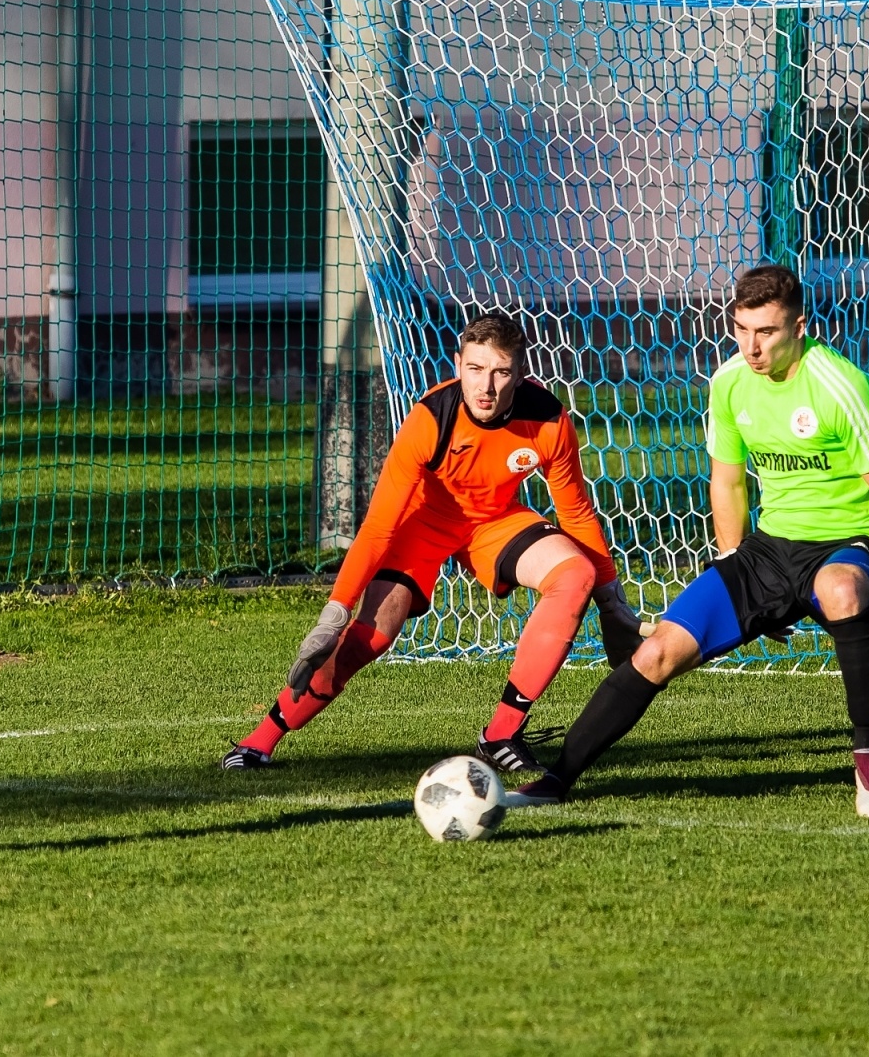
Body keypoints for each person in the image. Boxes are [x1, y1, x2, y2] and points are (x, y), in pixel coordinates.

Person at [515, 264, 869, 818]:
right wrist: (734, 568)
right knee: (655, 652)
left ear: (800, 327)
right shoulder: (729, 382)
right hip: (768, 552)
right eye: (741, 329)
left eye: (767, 332)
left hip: (846, 542)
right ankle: (557, 780)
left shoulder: (838, 385)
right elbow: (727, 479)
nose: (752, 346)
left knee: (842, 590)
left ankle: (868, 757)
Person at [223, 312, 643, 773]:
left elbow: (576, 512)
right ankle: (257, 742)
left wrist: (612, 603)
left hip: (495, 522)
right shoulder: (430, 418)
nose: (486, 386)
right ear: (458, 364)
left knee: (575, 575)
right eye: (476, 369)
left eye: (501, 372)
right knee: (372, 635)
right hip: (424, 524)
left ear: (520, 375)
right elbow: (380, 525)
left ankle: (501, 733)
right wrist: (333, 613)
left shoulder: (547, 418)